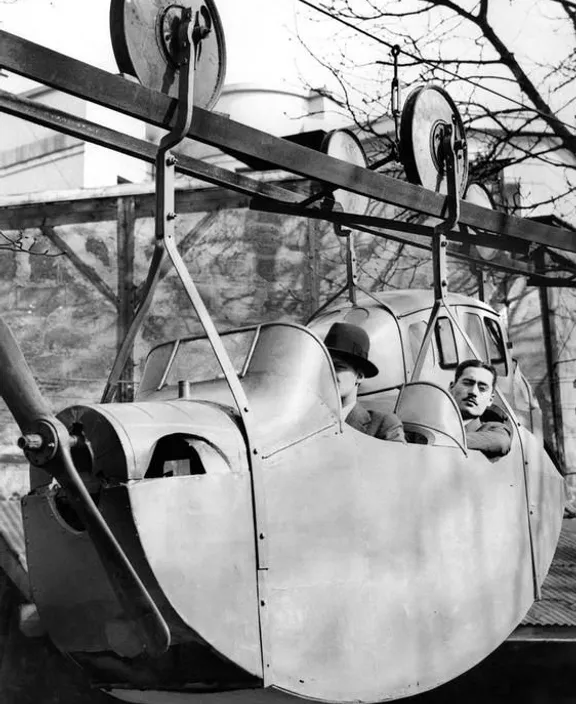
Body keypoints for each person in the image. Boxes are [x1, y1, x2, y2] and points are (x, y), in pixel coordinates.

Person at [324, 322, 405, 442]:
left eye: (338, 367)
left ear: (360, 376)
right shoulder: (307, 422)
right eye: (325, 366)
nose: (329, 373)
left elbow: (397, 460)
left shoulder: (383, 425)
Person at [449, 359, 512, 458]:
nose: (473, 392)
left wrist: (444, 439)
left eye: (482, 388)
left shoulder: (493, 429)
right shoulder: (430, 419)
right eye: (467, 383)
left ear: (490, 400)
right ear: (451, 388)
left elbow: (501, 442)